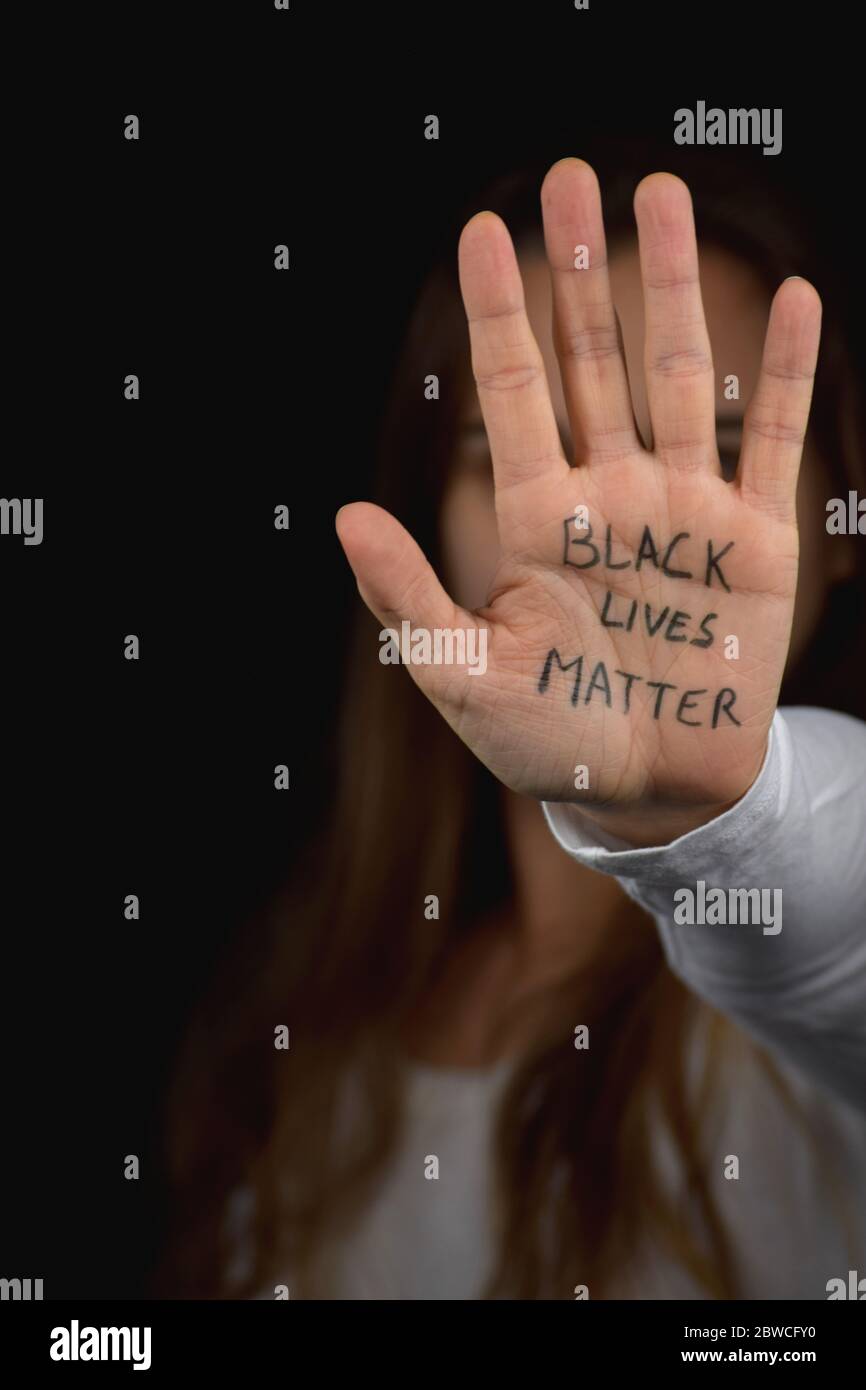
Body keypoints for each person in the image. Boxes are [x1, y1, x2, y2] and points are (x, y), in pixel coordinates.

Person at [156, 145, 866, 1300]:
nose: (609, 543)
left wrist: (709, 810)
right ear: (431, 523)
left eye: (718, 459)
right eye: (517, 460)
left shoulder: (818, 1014)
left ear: (839, 524)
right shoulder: (314, 1029)